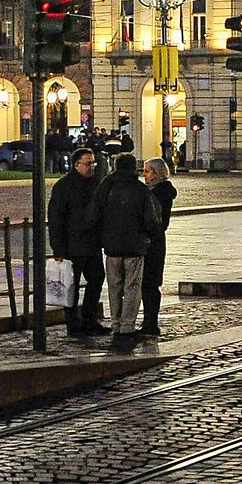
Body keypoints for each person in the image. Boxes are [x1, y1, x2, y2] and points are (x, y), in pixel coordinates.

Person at [95, 152, 160, 345]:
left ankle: (115, 324)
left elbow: (95, 212)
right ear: (134, 168)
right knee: (132, 287)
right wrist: (148, 236)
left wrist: (102, 236)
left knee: (114, 286)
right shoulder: (141, 190)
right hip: (135, 246)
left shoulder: (106, 186)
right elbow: (152, 220)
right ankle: (127, 326)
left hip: (111, 246)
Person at [46, 147, 105, 337]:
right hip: (72, 246)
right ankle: (72, 323)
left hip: (92, 244)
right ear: (76, 165)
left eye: (93, 163)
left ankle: (89, 319)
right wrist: (58, 247)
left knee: (96, 280)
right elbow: (56, 219)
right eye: (88, 163)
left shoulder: (96, 184)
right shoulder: (64, 186)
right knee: (71, 286)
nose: (92, 167)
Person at [138, 156, 177, 337]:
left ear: (157, 173)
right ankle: (148, 321)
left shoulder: (159, 193)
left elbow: (159, 222)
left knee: (150, 284)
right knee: (148, 284)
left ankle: (150, 322)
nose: (144, 175)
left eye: (147, 171)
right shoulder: (152, 191)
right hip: (153, 241)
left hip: (153, 243)